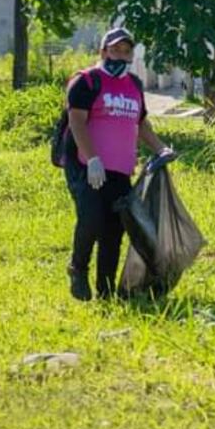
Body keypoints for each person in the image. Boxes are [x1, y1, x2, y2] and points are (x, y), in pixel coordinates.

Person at [64, 28, 174, 301]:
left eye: (126, 51)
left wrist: (161, 147)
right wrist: (92, 159)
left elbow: (141, 124)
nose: (120, 55)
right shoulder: (86, 81)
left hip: (120, 170)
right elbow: (76, 122)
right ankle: (77, 268)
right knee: (90, 220)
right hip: (88, 168)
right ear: (103, 51)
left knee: (114, 230)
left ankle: (105, 289)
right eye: (115, 50)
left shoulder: (134, 85)